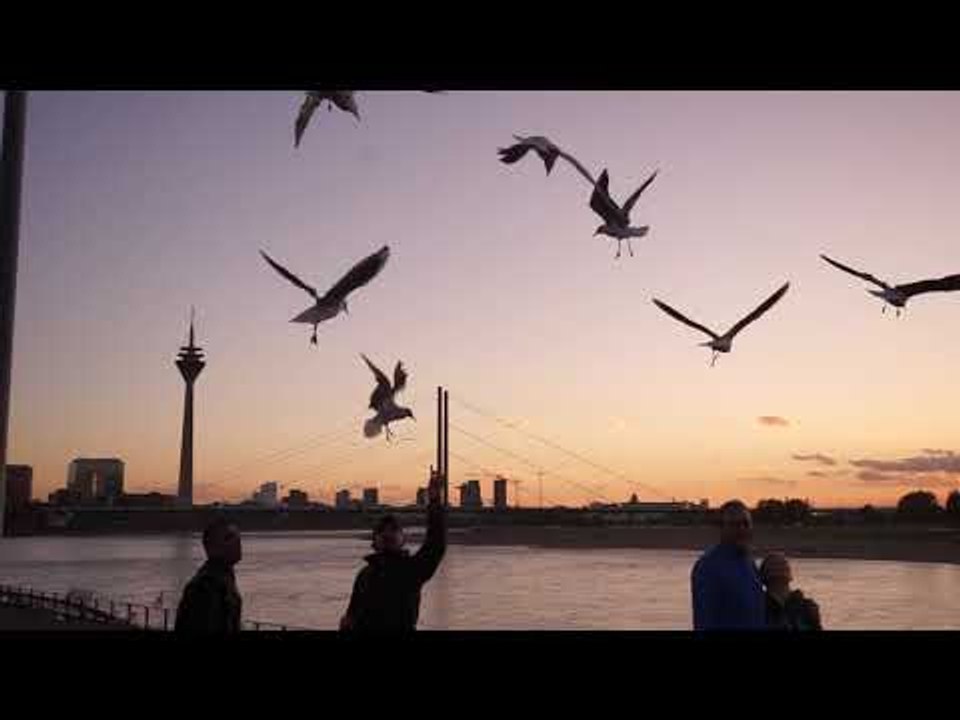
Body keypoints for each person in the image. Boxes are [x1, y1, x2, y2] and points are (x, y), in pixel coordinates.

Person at [340, 469, 447, 631]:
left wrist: (434, 500)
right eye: (382, 530)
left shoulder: (411, 570)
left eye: (393, 530)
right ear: (374, 541)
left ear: (402, 540)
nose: (388, 533)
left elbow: (435, 544)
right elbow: (351, 616)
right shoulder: (364, 575)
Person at [691, 499, 766, 630]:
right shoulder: (707, 567)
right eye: (735, 525)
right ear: (721, 528)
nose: (742, 529)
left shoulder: (749, 563)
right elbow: (704, 622)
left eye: (746, 524)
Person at [175, 517, 243, 634]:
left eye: (238, 536)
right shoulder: (205, 586)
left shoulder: (223, 577)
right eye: (229, 537)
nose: (237, 541)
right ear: (211, 547)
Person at [759, 552, 822, 630]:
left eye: (783, 564)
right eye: (775, 565)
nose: (780, 568)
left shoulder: (807, 607)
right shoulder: (759, 606)